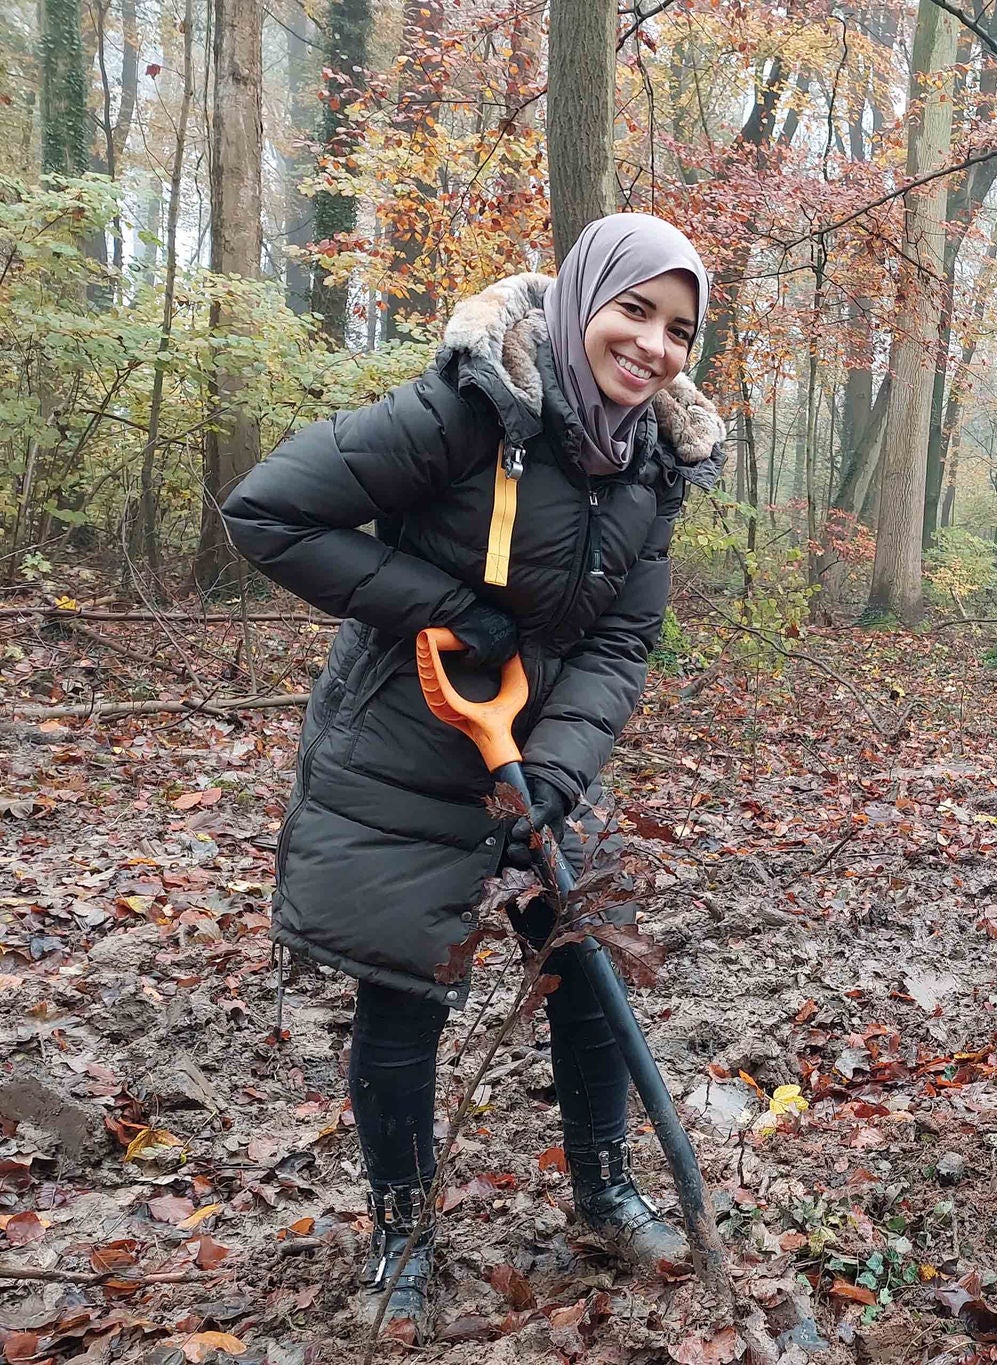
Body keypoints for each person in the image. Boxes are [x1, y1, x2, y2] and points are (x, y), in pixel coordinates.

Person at [222, 214, 724, 1337]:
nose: (652, 346)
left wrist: (557, 768)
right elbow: (268, 511)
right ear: (579, 299)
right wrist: (447, 610)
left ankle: (604, 1194)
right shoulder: (472, 405)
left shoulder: (651, 466)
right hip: (405, 746)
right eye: (632, 310)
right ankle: (402, 1232)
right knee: (404, 998)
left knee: (589, 974)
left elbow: (619, 643)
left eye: (679, 328)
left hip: (536, 765)